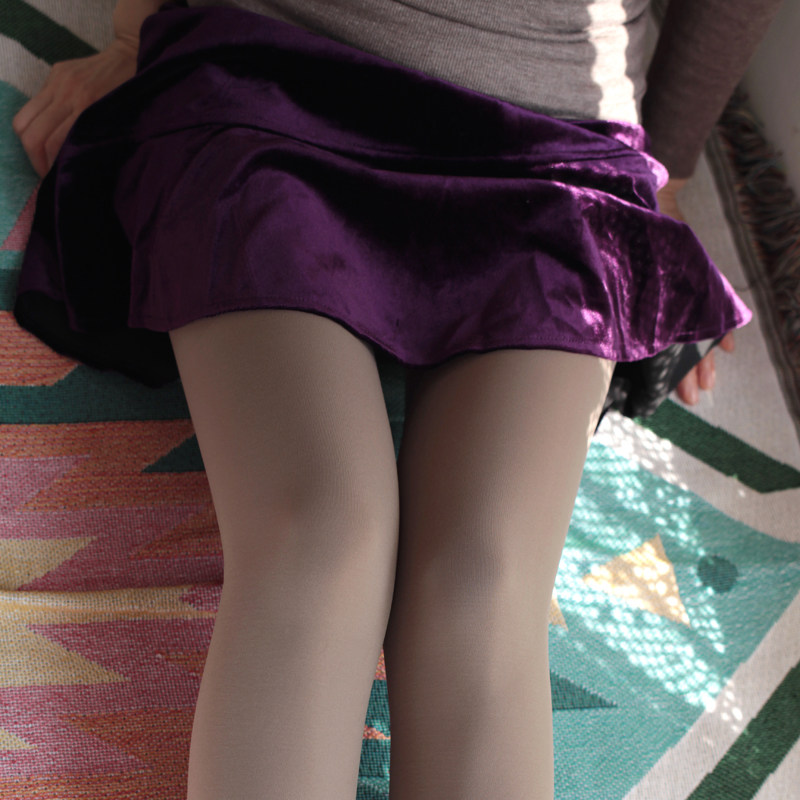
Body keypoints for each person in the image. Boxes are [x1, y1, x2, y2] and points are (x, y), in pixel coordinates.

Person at [10, 0, 782, 798]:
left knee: (480, 584)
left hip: (557, 145)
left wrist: (672, 165)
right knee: (322, 534)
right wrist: (133, 34)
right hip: (273, 78)